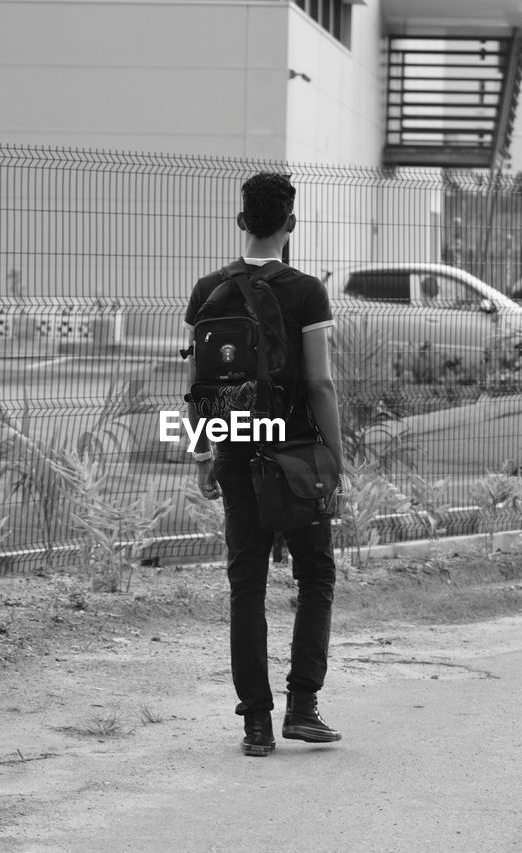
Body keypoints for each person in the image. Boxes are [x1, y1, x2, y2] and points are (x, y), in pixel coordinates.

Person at [185, 172, 344, 757]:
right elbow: (320, 381)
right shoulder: (306, 291)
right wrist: (336, 454)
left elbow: (199, 385)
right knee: (316, 577)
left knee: (246, 585)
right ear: (291, 225)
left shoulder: (208, 290)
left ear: (240, 221)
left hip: (235, 449)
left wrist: (203, 453)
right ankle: (303, 707)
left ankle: (255, 722)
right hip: (297, 454)